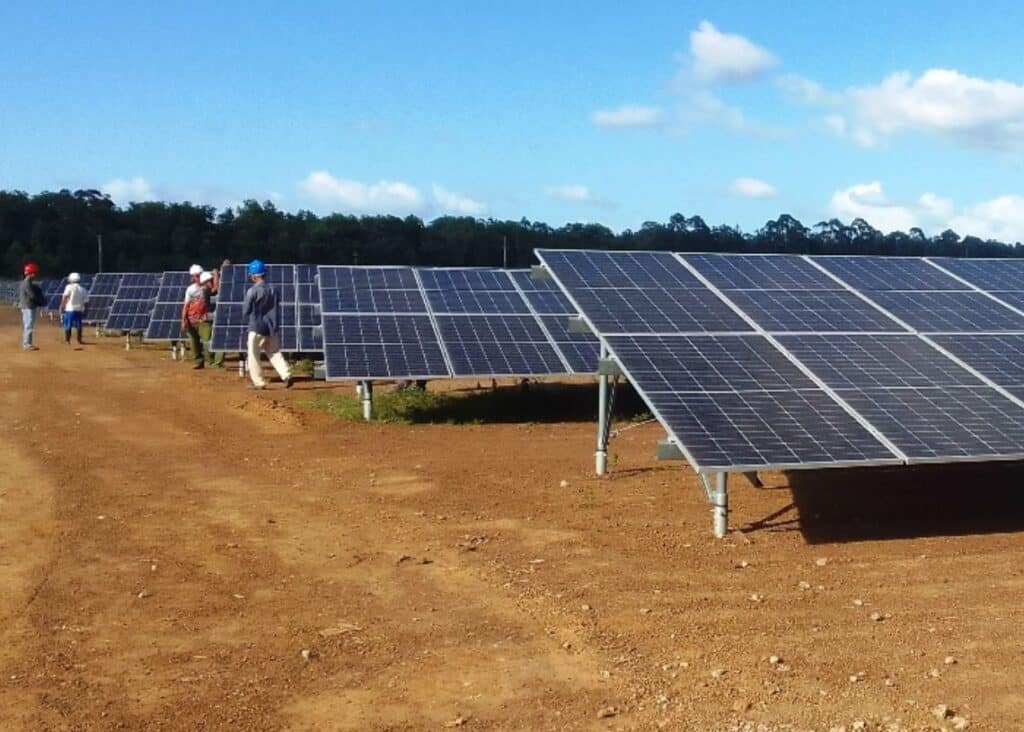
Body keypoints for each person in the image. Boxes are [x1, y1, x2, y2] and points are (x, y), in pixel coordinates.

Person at [241, 259, 292, 390]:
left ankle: (258, 382)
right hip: (272, 326)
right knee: (274, 352)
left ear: (253, 276)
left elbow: (246, 311)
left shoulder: (252, 291)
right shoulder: (274, 289)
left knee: (253, 354)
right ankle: (286, 374)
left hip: (256, 327)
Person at [180, 264, 211, 369]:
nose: (198, 278)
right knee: (194, 343)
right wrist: (184, 320)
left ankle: (211, 361)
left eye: (200, 275)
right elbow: (186, 305)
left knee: (207, 341)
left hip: (204, 320)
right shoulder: (190, 289)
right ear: (193, 277)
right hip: (191, 319)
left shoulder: (207, 287)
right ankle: (199, 362)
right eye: (196, 276)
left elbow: (216, 288)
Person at [18, 263, 46, 350]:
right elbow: (32, 296)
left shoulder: (29, 283)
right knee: (28, 325)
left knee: (29, 325)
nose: (35, 275)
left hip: (29, 306)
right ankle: (26, 344)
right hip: (28, 306)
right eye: (34, 273)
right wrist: (41, 302)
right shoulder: (27, 284)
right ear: (30, 273)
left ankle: (28, 343)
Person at [59, 272, 89, 345]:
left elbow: (65, 297)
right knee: (79, 325)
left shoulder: (69, 287)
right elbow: (86, 302)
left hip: (69, 309)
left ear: (72, 279)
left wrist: (62, 306)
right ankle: (79, 340)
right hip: (79, 310)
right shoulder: (83, 289)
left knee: (68, 325)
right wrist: (86, 310)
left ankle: (67, 340)